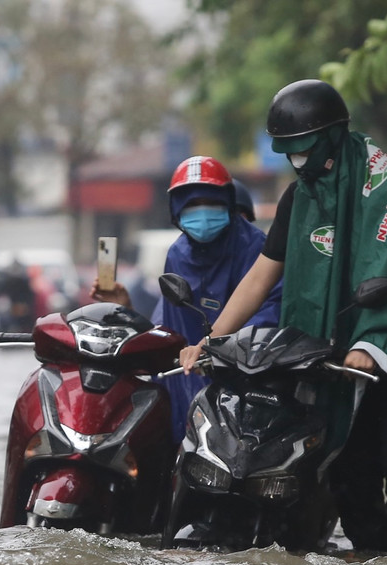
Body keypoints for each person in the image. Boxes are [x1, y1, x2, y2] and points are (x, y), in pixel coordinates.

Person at [179, 80, 387, 559]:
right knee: (348, 478)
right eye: (287, 153)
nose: (297, 162)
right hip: (328, 366)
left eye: (304, 150)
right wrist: (211, 339)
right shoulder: (299, 198)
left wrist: (370, 346)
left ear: (334, 136)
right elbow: (259, 278)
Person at [92, 156, 282, 441]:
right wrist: (126, 309)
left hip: (245, 381)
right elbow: (167, 325)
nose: (202, 213)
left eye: (211, 202)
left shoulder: (257, 250)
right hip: (185, 379)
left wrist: (224, 349)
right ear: (175, 209)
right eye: (191, 204)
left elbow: (271, 311)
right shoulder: (178, 254)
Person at [0, 259, 37, 333]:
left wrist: (24, 307)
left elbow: (31, 296)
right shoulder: (7, 281)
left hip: (23, 310)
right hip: (10, 309)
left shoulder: (24, 282)